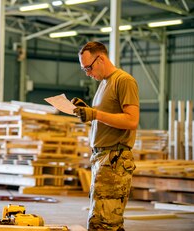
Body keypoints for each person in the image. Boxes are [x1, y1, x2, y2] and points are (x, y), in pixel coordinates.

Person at [72, 41, 139, 231]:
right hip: (102, 159)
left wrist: (96, 114)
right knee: (100, 221)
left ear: (100, 58)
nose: (87, 73)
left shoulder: (124, 81)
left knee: (106, 223)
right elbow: (106, 117)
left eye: (88, 68)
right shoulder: (104, 84)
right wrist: (88, 111)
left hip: (114, 159)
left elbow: (131, 120)